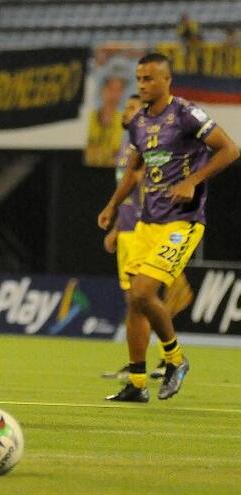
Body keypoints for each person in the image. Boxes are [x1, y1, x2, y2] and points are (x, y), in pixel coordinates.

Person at [97, 53, 239, 402]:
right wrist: (113, 206)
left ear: (166, 80)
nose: (143, 84)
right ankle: (137, 383)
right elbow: (133, 171)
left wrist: (193, 179)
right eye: (139, 79)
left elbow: (229, 149)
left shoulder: (186, 114)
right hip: (148, 221)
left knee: (145, 292)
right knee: (135, 302)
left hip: (183, 221)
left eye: (149, 78)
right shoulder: (139, 123)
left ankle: (176, 360)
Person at [100, 94, 193, 382]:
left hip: (146, 231)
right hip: (128, 231)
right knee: (134, 301)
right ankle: (139, 361)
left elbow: (147, 193)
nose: (125, 112)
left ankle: (169, 359)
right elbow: (130, 195)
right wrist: (117, 226)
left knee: (141, 297)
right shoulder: (127, 147)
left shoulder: (148, 146)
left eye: (131, 107)